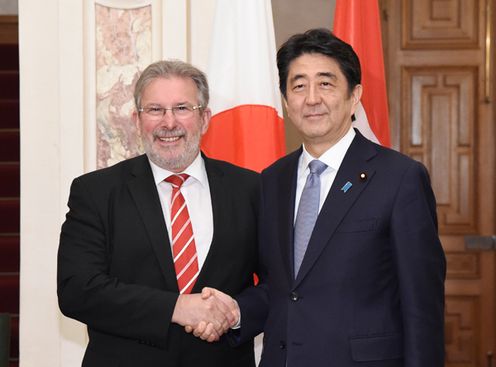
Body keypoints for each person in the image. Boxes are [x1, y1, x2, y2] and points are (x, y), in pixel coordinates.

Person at [193, 28, 446, 366]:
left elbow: (422, 306)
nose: (311, 98)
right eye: (298, 86)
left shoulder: (399, 178)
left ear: (354, 96)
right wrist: (235, 311)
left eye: (325, 83)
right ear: (285, 100)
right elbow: (281, 288)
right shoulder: (272, 180)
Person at [57, 60, 259, 367]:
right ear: (138, 120)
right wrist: (176, 308)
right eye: (155, 110)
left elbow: (281, 285)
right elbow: (77, 289)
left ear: (204, 119)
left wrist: (235, 313)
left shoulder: (251, 188)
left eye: (182, 108)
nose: (169, 122)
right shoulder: (96, 192)